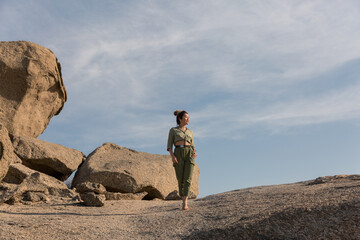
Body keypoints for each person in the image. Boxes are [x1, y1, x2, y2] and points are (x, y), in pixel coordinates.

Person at [167, 110, 197, 210]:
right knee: (181, 179)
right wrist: (172, 156)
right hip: (178, 153)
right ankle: (182, 200)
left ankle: (185, 203)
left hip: (189, 153)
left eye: (188, 118)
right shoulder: (173, 130)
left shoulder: (190, 132)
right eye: (186, 117)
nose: (188, 119)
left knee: (188, 178)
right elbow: (169, 145)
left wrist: (194, 152)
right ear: (180, 119)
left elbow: (192, 143)